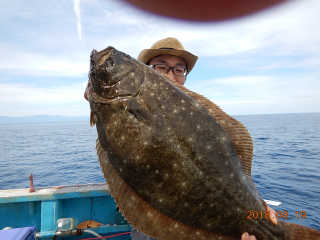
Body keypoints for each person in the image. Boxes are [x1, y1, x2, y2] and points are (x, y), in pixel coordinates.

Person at [133, 37, 278, 240]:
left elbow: (227, 166)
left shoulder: (197, 114)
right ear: (145, 69)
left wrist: (258, 205)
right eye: (161, 67)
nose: (171, 76)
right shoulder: (131, 105)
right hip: (153, 217)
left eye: (179, 70)